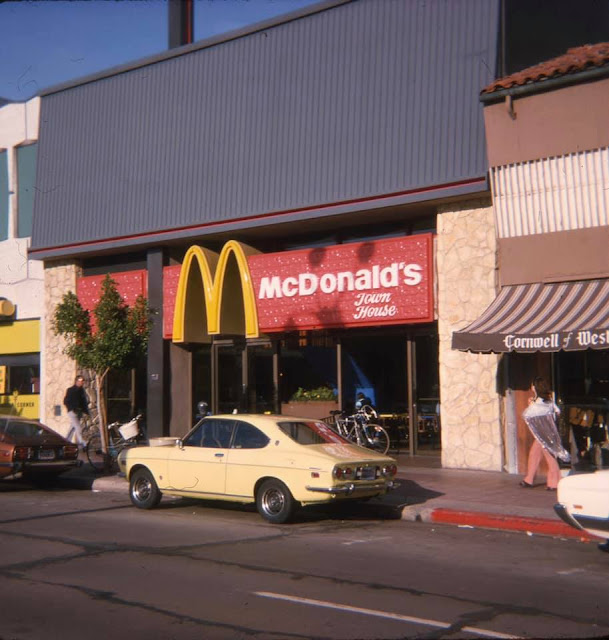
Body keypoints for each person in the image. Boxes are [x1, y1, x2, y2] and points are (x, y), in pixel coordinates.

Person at [520, 376, 566, 491]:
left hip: (544, 434)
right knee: (534, 453)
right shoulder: (546, 401)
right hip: (546, 432)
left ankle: (555, 481)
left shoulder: (539, 404)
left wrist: (530, 405)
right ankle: (529, 479)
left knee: (549, 457)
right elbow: (557, 411)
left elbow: (527, 415)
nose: (531, 387)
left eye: (532, 385)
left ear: (535, 387)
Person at [63, 375, 90, 449]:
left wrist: (86, 412)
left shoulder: (82, 391)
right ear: (76, 381)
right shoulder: (70, 390)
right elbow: (66, 401)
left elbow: (83, 402)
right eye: (80, 381)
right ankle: (82, 443)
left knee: (72, 427)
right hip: (72, 412)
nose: (81, 382)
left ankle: (66, 442)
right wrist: (71, 408)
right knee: (78, 427)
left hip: (79, 412)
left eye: (82, 381)